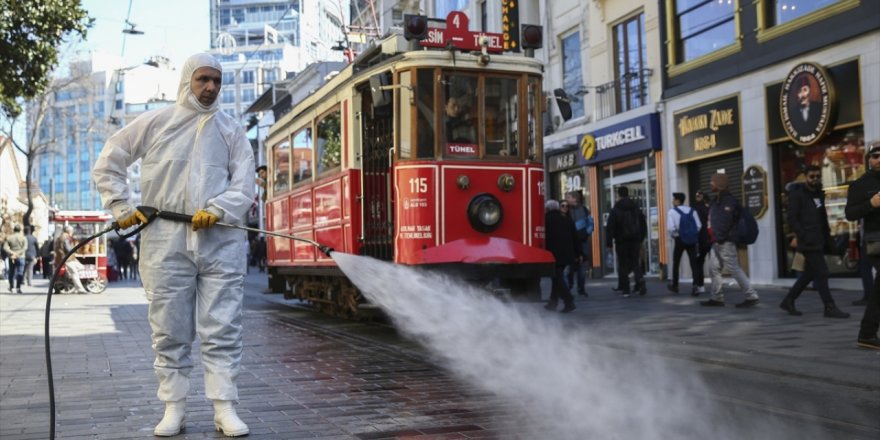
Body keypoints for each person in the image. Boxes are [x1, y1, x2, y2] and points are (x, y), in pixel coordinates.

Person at [92, 53, 255, 436]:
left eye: (216, 80)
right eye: (203, 79)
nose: (210, 87)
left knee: (223, 326)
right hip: (165, 241)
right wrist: (120, 205)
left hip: (221, 241)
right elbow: (110, 161)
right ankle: (174, 407)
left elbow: (244, 185)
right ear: (187, 80)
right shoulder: (156, 123)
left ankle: (224, 407)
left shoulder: (231, 131)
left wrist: (218, 208)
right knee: (169, 328)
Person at [780, 166, 849, 318]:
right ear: (805, 177)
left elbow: (822, 219)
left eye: (818, 176)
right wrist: (803, 235)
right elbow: (792, 218)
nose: (815, 179)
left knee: (809, 274)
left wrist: (829, 240)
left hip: (819, 239)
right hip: (808, 241)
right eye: (812, 176)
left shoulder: (819, 194)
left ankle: (788, 300)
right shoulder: (798, 194)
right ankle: (829, 306)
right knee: (822, 272)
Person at [701, 173, 759, 308]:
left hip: (724, 241)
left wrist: (719, 238)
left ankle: (751, 295)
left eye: (713, 182)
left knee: (734, 268)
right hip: (717, 241)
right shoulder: (717, 200)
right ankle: (717, 297)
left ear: (719, 184)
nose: (710, 184)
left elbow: (725, 222)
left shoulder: (728, 201)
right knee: (713, 268)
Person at [844, 140, 880, 350]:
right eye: (875, 156)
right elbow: (849, 214)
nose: (879, 160)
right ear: (868, 159)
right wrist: (871, 204)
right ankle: (867, 332)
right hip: (876, 241)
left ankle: (867, 333)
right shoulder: (859, 185)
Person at [606, 186, 647, 297]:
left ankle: (626, 289)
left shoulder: (616, 209)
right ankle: (640, 280)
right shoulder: (635, 207)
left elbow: (610, 227)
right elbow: (643, 223)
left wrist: (609, 242)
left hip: (621, 241)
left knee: (623, 264)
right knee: (635, 262)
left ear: (618, 195)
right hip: (635, 240)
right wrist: (641, 237)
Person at [544, 199, 578, 313]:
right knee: (556, 278)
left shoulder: (545, 220)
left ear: (547, 209)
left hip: (553, 254)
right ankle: (553, 302)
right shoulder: (567, 219)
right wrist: (578, 253)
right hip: (567, 254)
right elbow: (575, 237)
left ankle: (569, 300)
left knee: (557, 278)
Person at [666, 192, 702, 295]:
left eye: (673, 199)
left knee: (676, 262)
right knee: (693, 263)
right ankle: (695, 285)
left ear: (677, 200)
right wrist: (692, 234)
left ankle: (675, 285)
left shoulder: (672, 212)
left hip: (680, 239)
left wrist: (676, 235)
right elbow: (699, 226)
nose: (672, 201)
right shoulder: (692, 210)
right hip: (692, 239)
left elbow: (671, 228)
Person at [564, 191, 593, 297]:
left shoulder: (584, 210)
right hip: (570, 242)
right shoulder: (565, 210)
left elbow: (590, 223)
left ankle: (581, 288)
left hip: (582, 242)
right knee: (569, 265)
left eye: (568, 197)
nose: (566, 199)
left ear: (575, 198)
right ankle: (569, 286)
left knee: (582, 266)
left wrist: (587, 233)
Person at [54, 226, 87, 294]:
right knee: (74, 273)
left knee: (81, 267)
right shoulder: (65, 238)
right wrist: (76, 248)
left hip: (68, 258)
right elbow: (68, 249)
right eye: (72, 231)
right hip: (67, 259)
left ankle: (70, 279)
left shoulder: (61, 237)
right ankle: (80, 289)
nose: (72, 233)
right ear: (69, 231)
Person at [692, 189, 711, 295]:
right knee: (701, 262)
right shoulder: (709, 208)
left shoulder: (695, 209)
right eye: (696, 195)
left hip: (701, 238)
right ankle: (701, 285)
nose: (697, 197)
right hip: (709, 238)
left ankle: (700, 285)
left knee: (699, 262)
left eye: (698, 195)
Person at [3, 224, 26, 294]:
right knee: (20, 272)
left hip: (12, 257)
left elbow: (5, 247)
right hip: (21, 257)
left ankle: (12, 287)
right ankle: (18, 287)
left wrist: (12, 253)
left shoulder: (9, 238)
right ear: (20, 230)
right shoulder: (23, 238)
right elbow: (25, 248)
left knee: (11, 273)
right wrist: (17, 253)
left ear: (14, 230)